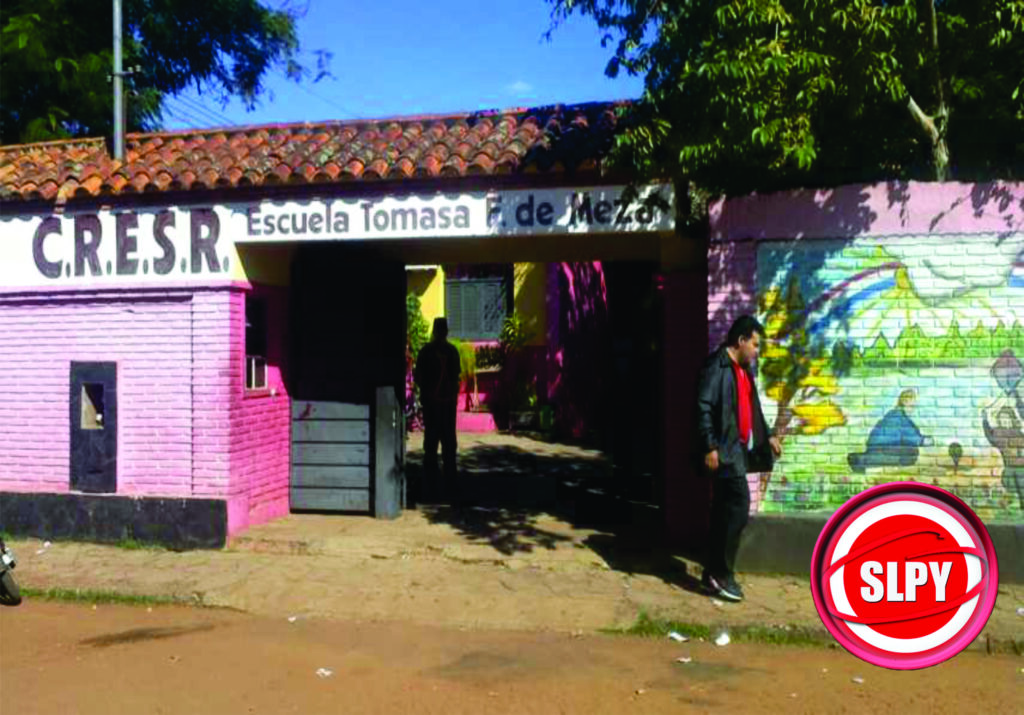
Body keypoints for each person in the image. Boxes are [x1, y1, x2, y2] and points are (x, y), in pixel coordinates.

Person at [696, 315, 783, 602]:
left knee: (723, 513)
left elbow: (753, 408)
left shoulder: (744, 371)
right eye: (755, 345)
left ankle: (712, 574)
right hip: (724, 452)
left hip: (739, 452)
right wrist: (709, 446)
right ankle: (722, 574)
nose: (757, 352)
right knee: (738, 506)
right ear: (741, 340)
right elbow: (703, 406)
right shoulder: (717, 366)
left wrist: (767, 434)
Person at [414, 317, 462, 500]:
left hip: (440, 405)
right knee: (439, 443)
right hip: (440, 405)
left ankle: (437, 483)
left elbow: (419, 377)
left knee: (440, 443)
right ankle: (442, 483)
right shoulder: (448, 352)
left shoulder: (429, 352)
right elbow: (456, 379)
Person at [848, 389, 933, 473]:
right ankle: (862, 460)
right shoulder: (900, 417)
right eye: (912, 406)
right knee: (912, 452)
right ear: (905, 402)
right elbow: (912, 437)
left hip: (874, 447)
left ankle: (864, 459)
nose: (913, 409)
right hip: (885, 447)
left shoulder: (891, 414)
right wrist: (926, 441)